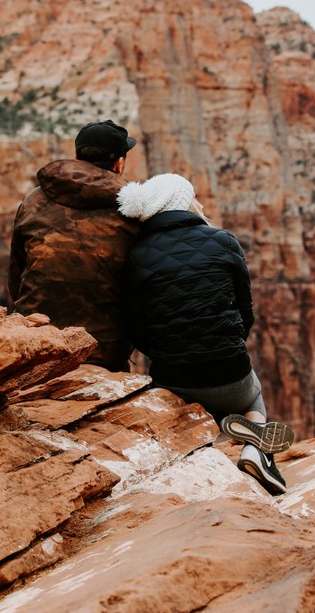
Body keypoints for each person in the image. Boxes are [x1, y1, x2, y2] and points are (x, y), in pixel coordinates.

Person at [117, 172, 295, 496]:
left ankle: (200, 459)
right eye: (193, 196)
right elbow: (246, 311)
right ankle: (256, 450)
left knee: (183, 400)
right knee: (253, 395)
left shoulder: (136, 255)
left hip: (174, 380)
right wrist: (228, 343)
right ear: (182, 202)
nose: (199, 201)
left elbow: (135, 326)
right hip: (230, 372)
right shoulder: (223, 240)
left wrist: (166, 352)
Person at [8, 119, 140, 371]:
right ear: (119, 163)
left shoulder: (33, 200)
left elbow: (17, 275)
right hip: (104, 353)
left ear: (77, 156)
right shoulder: (133, 207)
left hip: (35, 344)